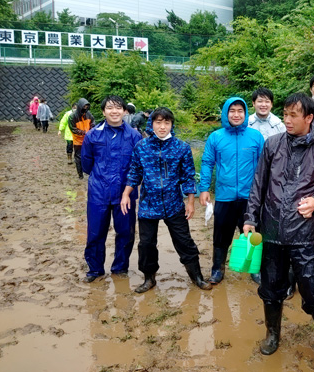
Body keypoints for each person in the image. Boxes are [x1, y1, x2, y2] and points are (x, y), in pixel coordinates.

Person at [243, 93, 314, 363]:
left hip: (306, 233)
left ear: (309, 118)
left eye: (293, 115)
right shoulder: (272, 144)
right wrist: (250, 217)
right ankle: (272, 333)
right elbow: (258, 184)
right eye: (284, 114)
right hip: (272, 229)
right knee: (271, 287)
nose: (286, 120)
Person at [121, 107, 212, 293]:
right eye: (158, 122)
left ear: (172, 125)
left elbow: (188, 177)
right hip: (148, 205)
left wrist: (191, 202)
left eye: (167, 123)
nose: (162, 127)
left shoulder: (182, 147)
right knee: (146, 244)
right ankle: (149, 278)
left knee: (184, 241)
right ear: (151, 124)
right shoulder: (142, 147)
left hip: (174, 204)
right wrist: (125, 194)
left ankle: (197, 276)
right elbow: (134, 173)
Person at [199, 97, 264, 284]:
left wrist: (263, 192)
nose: (236, 115)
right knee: (221, 236)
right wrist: (204, 188)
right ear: (226, 113)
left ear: (245, 114)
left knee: (252, 235)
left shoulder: (255, 137)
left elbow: (263, 166)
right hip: (225, 196)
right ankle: (217, 269)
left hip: (249, 197)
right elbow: (207, 163)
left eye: (240, 111)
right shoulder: (216, 137)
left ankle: (254, 269)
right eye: (232, 111)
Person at [80, 95, 142, 283]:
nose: (114, 111)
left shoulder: (134, 135)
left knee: (126, 232)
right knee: (95, 232)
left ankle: (120, 267)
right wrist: (101, 178)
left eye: (118, 108)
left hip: (125, 194)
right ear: (103, 111)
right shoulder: (93, 135)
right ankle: (95, 269)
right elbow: (86, 164)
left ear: (125, 111)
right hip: (98, 193)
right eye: (109, 108)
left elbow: (138, 166)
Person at [69, 98, 95, 179]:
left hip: (88, 140)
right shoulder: (72, 116)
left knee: (90, 156)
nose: (86, 108)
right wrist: (84, 133)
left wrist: (90, 132)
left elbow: (93, 123)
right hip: (78, 141)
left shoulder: (89, 115)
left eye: (87, 106)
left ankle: (89, 172)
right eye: (84, 106)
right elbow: (73, 129)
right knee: (78, 158)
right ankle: (80, 175)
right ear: (80, 106)